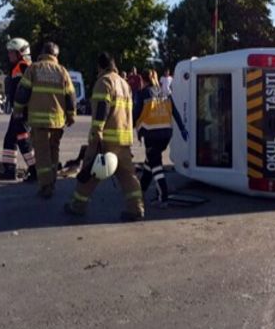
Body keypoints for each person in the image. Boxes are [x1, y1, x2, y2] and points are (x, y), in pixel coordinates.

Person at [64, 52, 145, 222]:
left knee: (90, 172)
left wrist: (96, 131)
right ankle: (136, 208)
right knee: (128, 176)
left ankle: (78, 205)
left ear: (100, 66)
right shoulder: (124, 83)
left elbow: (102, 108)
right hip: (124, 140)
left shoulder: (104, 81)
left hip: (106, 139)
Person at [13, 42, 76, 199]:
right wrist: (71, 115)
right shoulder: (62, 71)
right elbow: (70, 96)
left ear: (42, 53)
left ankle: (46, 185)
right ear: (56, 55)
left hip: (39, 121)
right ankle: (52, 181)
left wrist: (18, 110)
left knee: (42, 155)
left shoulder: (34, 69)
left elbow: (23, 92)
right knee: (54, 152)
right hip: (57, 121)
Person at [134, 69, 188, 207]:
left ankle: (163, 197)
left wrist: (126, 127)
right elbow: (175, 111)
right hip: (166, 134)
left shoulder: (143, 93)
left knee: (156, 165)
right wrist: (182, 128)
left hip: (152, 134)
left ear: (143, 80)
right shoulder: (166, 93)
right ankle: (141, 190)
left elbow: (135, 114)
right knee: (150, 162)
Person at [0, 38, 36, 181]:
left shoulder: (23, 66)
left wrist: (20, 109)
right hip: (18, 109)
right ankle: (9, 169)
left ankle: (35, 169)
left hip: (22, 111)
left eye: (12, 52)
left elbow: (25, 90)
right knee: (10, 139)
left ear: (20, 53)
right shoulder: (19, 66)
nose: (9, 55)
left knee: (23, 139)